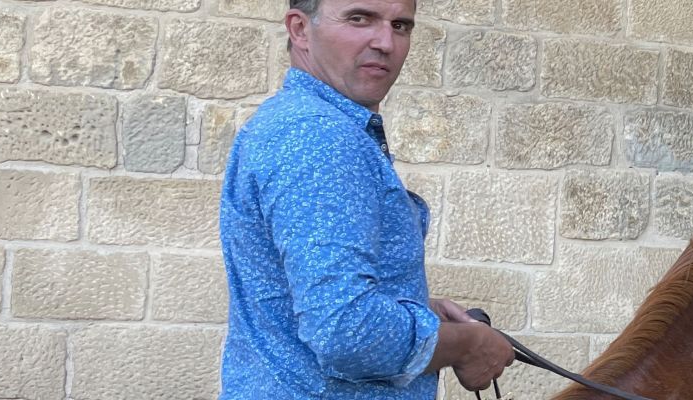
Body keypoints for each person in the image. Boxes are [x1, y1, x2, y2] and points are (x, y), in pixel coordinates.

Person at [217, 0, 513, 397]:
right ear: (300, 29)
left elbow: (309, 302)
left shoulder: (294, 122)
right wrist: (470, 345)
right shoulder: (319, 137)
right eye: (360, 19)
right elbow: (347, 331)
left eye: (401, 26)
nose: (385, 42)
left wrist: (414, 312)